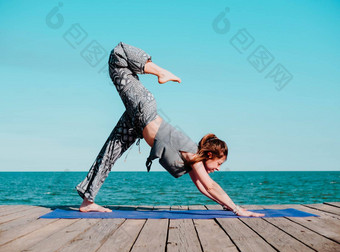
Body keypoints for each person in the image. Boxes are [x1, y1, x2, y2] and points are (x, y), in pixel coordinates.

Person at [75, 42, 264, 217]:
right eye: (219, 163)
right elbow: (211, 186)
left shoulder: (192, 163)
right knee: (117, 55)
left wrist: (226, 205)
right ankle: (160, 72)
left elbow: (203, 187)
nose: (218, 169)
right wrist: (238, 209)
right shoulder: (191, 153)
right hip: (144, 108)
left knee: (108, 155)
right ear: (209, 155)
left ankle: (87, 201)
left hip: (136, 124)